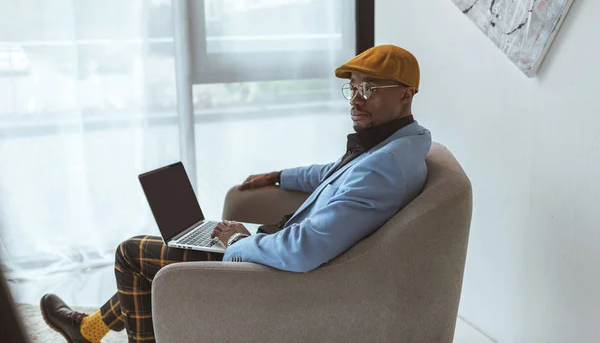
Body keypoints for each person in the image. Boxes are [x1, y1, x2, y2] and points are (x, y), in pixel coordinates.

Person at [39, 45, 432, 343]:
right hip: (279, 252)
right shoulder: (397, 145)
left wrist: (239, 244)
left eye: (370, 88)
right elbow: (336, 174)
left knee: (131, 252)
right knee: (168, 246)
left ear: (406, 95)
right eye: (352, 88)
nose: (357, 99)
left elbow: (304, 250)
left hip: (280, 276)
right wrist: (279, 176)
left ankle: (90, 331)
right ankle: (90, 329)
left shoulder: (384, 168)